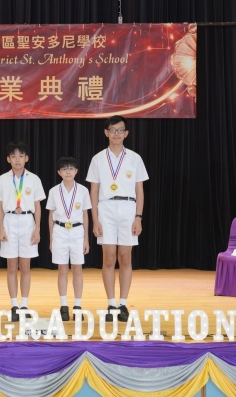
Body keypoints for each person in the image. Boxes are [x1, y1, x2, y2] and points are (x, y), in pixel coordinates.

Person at [86, 115, 149, 322]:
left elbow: (140, 190)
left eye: (120, 130)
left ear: (126, 133)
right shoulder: (97, 159)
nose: (116, 134)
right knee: (109, 257)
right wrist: (95, 219)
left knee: (125, 257)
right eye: (112, 130)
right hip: (106, 209)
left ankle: (123, 303)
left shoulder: (135, 158)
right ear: (106, 133)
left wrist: (138, 217)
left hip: (129, 209)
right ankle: (111, 303)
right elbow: (94, 191)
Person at [0, 141, 46, 322]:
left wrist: (37, 229)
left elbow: (38, 206)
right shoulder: (2, 179)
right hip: (9, 221)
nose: (17, 159)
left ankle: (24, 305)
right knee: (11, 267)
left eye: (21, 156)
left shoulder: (34, 179)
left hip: (28, 221)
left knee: (26, 266)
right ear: (8, 159)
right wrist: (0, 228)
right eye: (13, 156)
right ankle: (14, 305)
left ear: (26, 158)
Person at [47, 157, 91, 321]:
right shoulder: (53, 191)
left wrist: (86, 239)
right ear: (59, 172)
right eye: (64, 169)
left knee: (78, 270)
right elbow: (50, 216)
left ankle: (77, 306)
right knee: (62, 270)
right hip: (60, 231)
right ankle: (64, 306)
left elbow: (85, 216)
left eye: (71, 168)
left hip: (77, 231)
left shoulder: (83, 191)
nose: (68, 172)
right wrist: (51, 239)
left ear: (76, 171)